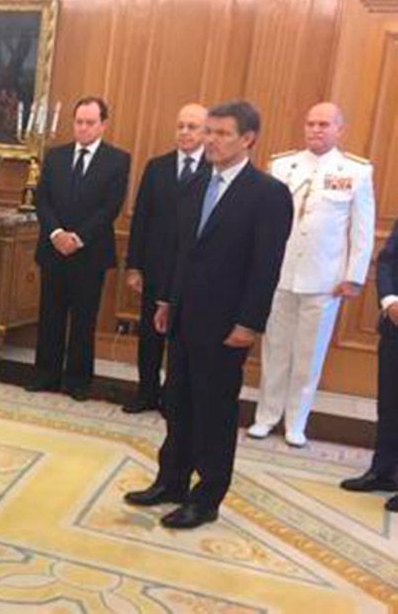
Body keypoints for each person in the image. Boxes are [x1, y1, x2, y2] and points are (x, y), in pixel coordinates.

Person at [125, 100, 293, 529]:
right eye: (209, 132)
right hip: (182, 316)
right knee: (177, 402)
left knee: (213, 411)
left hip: (226, 324)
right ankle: (172, 480)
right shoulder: (195, 185)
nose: (210, 140)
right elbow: (182, 253)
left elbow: (265, 266)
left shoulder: (268, 194)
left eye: (221, 134)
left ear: (248, 139)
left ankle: (207, 495)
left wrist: (249, 323)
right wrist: (165, 301)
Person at [249, 103, 375, 447]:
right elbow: (262, 223)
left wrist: (354, 276)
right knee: (275, 350)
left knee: (309, 354)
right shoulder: (282, 165)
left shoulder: (355, 171)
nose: (316, 130)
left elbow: (362, 229)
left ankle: (296, 422)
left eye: (324, 124)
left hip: (325, 280)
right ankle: (266, 416)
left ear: (339, 129)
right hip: (280, 275)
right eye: (310, 123)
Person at [27, 97, 130, 401]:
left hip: (90, 253)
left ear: (103, 125)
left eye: (89, 123)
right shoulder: (55, 156)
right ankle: (46, 374)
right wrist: (57, 233)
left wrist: (77, 238)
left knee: (83, 319)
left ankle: (77, 381)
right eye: (79, 122)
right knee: (50, 316)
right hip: (53, 248)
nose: (83, 128)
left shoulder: (117, 160)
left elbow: (110, 208)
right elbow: (41, 200)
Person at [123, 103, 208, 413]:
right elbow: (141, 219)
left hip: (190, 272)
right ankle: (146, 392)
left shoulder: (212, 171)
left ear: (205, 132)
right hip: (155, 267)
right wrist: (134, 265)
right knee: (149, 335)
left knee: (180, 338)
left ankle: (173, 397)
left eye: (192, 127)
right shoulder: (157, 167)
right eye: (181, 126)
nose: (185, 132)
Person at [340, 217, 398, 513]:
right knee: (389, 402)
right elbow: (388, 259)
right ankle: (383, 470)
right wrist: (390, 301)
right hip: (396, 323)